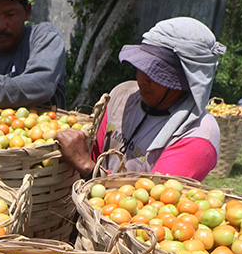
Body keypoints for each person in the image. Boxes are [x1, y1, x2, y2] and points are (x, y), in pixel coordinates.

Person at [57, 17, 227, 181]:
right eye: (142, 66)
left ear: (186, 81)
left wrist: (86, 166)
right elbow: (95, 151)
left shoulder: (197, 136)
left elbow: (153, 203)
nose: (142, 79)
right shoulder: (123, 96)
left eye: (157, 73)